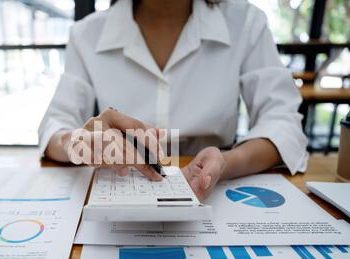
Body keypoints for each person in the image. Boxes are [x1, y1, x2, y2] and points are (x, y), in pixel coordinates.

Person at [38, 0, 308, 200]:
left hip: (218, 190)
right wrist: (77, 142)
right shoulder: (86, 33)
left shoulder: (246, 23)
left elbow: (283, 122)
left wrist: (227, 162)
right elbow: (55, 125)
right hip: (121, 186)